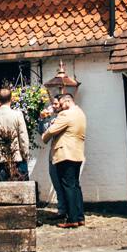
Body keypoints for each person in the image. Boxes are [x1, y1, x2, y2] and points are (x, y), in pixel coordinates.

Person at [41, 92, 87, 227]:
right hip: (77, 153)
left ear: (67, 102)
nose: (60, 107)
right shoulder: (80, 113)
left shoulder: (66, 114)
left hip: (65, 154)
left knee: (68, 186)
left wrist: (45, 135)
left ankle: (72, 219)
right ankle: (80, 216)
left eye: (61, 104)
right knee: (75, 186)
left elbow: (51, 131)